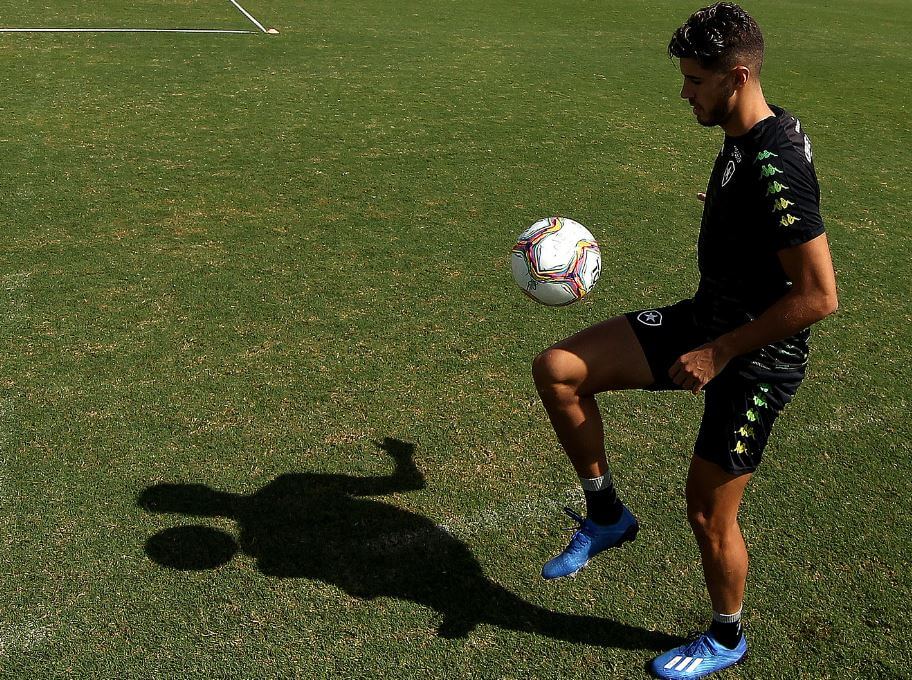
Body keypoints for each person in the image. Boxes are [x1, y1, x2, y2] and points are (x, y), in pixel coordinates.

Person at [530, 3, 838, 678]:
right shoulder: (753, 127)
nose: (684, 92)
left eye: (695, 81)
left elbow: (819, 296)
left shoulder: (776, 163)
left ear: (736, 75)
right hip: (708, 318)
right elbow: (763, 214)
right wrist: (728, 216)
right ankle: (606, 514)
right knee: (558, 370)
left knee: (706, 511)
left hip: (756, 361)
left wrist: (721, 352)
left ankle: (726, 637)